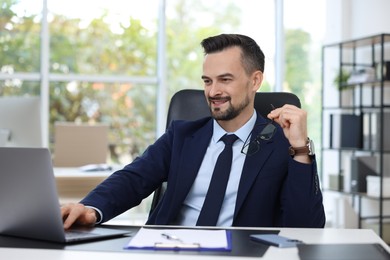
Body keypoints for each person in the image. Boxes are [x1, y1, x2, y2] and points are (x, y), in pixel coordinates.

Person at [61, 33, 326, 229]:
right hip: (171, 251)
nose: (213, 92)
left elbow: (307, 227)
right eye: (208, 81)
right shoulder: (183, 136)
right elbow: (133, 178)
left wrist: (301, 149)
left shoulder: (283, 144)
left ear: (255, 80)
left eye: (225, 79)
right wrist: (91, 209)